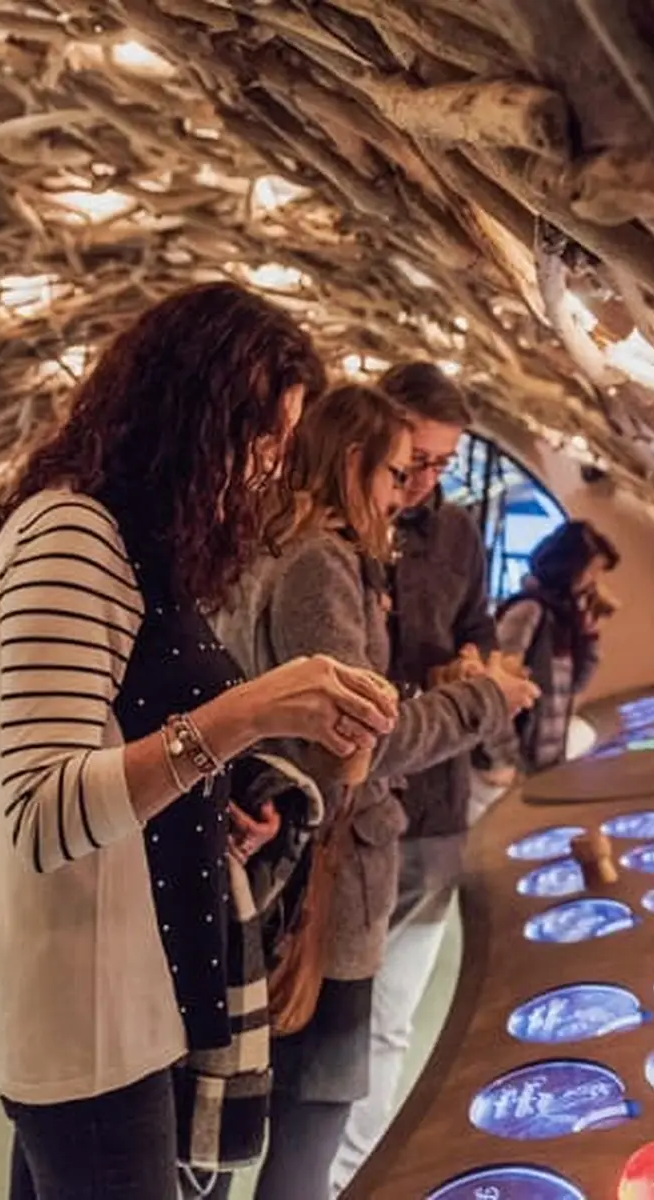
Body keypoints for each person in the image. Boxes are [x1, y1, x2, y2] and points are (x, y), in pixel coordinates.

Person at [0, 282, 400, 1200]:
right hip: (86, 997)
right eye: (261, 438)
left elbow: (133, 744)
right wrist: (252, 711)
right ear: (191, 417)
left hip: (134, 971)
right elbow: (42, 810)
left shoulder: (131, 543)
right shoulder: (70, 537)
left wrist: (215, 808)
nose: (269, 467)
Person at [214, 384, 536, 1200]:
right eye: (400, 470)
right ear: (354, 464)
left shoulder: (267, 547)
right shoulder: (320, 561)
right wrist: (485, 699)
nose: (407, 491)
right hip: (323, 870)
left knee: (230, 1117)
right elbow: (361, 736)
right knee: (313, 1113)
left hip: (276, 857)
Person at [330, 362, 523, 1194]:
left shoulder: (460, 535)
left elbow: (475, 624)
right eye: (412, 460)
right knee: (323, 1033)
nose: (423, 481)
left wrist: (473, 667)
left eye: (442, 464)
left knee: (390, 1024)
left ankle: (349, 1182)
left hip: (435, 808)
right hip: (346, 821)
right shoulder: (330, 538)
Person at [496, 520, 620, 772]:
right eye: (591, 571)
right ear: (569, 567)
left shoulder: (564, 621)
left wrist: (590, 632)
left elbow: (575, 685)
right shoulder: (529, 611)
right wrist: (507, 760)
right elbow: (497, 690)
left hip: (545, 762)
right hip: (516, 767)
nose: (593, 583)